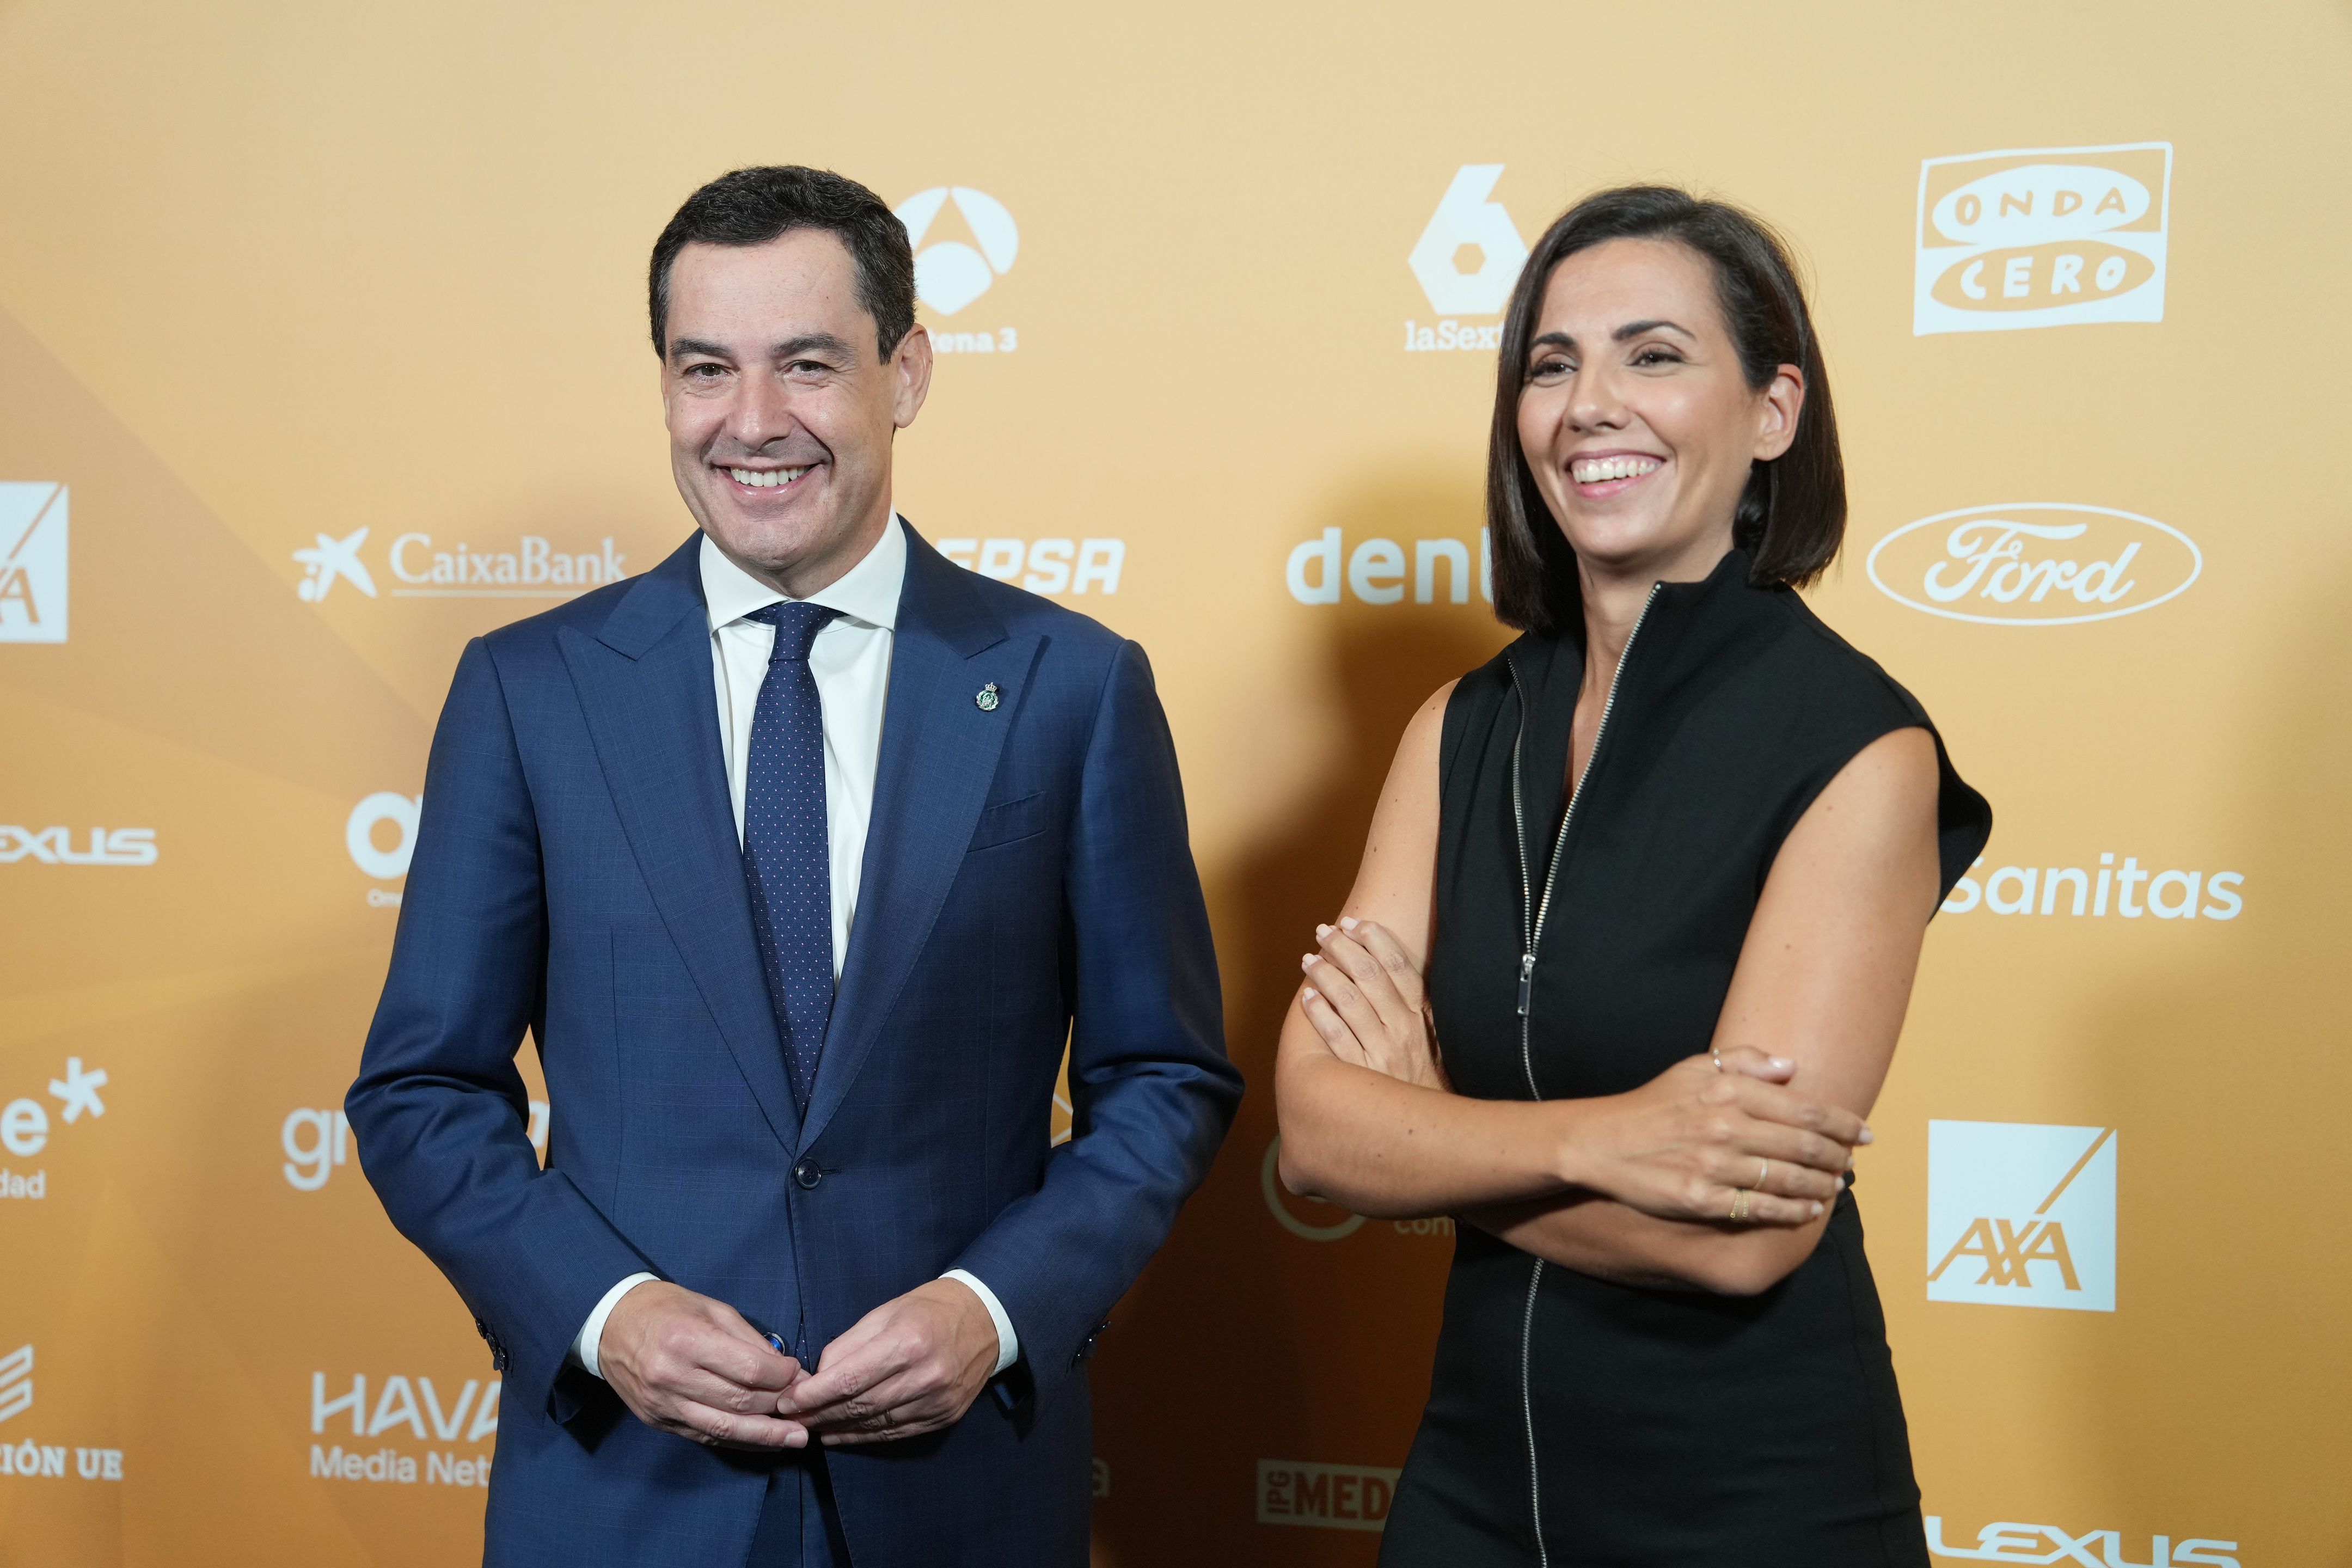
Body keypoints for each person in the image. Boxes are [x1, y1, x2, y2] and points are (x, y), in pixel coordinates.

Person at [346, 165, 1240, 1567]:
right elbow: (422, 1091)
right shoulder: (530, 692)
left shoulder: (1073, 689)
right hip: (623, 1496)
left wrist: (995, 1308)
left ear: (908, 371)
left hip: (959, 1496)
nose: (752, 424)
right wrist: (603, 1312)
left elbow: (1165, 1079)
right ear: (664, 387)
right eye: (707, 369)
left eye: (807, 365)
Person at [1273, 186, 1992, 1566]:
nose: (1591, 403)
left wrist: (1429, 1134)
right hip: (1471, 1492)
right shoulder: (1459, 727)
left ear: (1775, 412)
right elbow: (1317, 1134)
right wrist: (1596, 1141)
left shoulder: (1858, 747)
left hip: (1755, 1507)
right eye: (1554, 364)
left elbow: (1743, 1237)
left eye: (1654, 355)